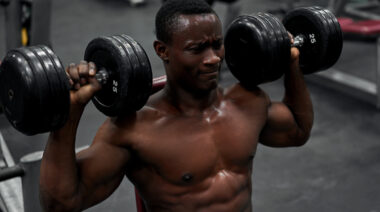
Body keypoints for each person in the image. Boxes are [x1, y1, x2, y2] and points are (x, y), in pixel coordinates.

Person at [39, 0, 313, 211]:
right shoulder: (133, 131)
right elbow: (63, 204)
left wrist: (292, 63)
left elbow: (298, 130)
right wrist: (70, 114)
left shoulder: (247, 102)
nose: (213, 59)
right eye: (197, 49)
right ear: (162, 51)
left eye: (217, 45)